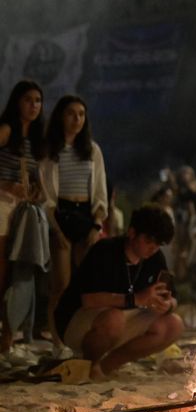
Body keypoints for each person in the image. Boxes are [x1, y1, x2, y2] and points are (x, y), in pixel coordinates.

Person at [53, 205, 180, 381]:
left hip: (121, 321)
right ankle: (90, 364)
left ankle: (107, 366)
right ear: (132, 233)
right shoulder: (105, 251)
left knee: (174, 324)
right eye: (149, 240)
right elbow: (88, 300)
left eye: (159, 243)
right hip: (76, 321)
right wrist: (137, 299)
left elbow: (172, 297)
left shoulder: (155, 258)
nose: (154, 248)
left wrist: (167, 305)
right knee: (114, 319)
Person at [41, 95, 108, 353]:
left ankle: (80, 338)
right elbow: (47, 195)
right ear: (61, 116)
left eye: (81, 114)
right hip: (61, 213)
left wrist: (97, 225)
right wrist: (55, 229)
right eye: (71, 113)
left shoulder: (92, 150)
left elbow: (100, 192)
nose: (77, 119)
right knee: (61, 284)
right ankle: (58, 342)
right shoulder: (51, 150)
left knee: (88, 284)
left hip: (86, 215)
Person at [0, 79, 46, 353]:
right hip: (3, 203)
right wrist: (6, 184)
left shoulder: (36, 140)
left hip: (24, 207)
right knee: (3, 268)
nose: (34, 106)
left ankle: (9, 334)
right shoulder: (7, 130)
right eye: (29, 99)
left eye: (38, 101)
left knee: (20, 270)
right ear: (17, 101)